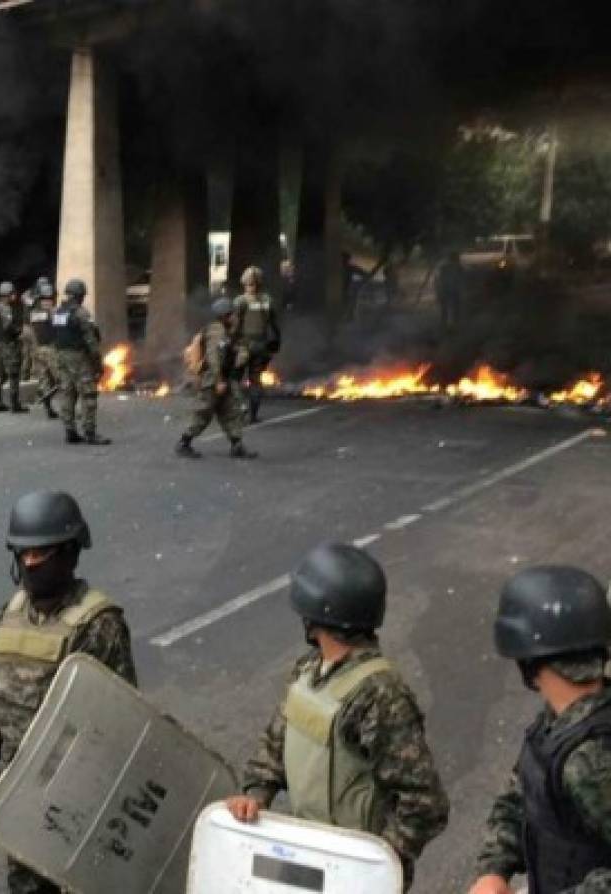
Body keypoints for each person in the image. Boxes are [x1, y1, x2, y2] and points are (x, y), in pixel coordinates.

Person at [225, 544, 449, 889]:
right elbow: (274, 748)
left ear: (316, 617)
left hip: (353, 875)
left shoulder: (379, 696)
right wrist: (254, 797)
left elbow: (425, 803)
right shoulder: (309, 672)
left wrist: (376, 864)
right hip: (309, 860)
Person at [0, 490, 136, 894]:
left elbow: (120, 725)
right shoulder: (11, 613)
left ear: (70, 553)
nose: (30, 564)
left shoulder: (98, 624)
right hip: (21, 798)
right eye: (23, 555)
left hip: (77, 809)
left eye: (42, 555)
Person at [469, 566, 611, 894]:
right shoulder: (557, 724)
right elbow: (521, 794)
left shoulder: (590, 759)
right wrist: (493, 870)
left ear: (527, 661)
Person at [175, 298, 255, 459]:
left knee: (230, 411)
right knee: (203, 413)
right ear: (225, 315)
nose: (235, 317)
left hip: (223, 378)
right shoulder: (216, 332)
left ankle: (237, 445)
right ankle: (184, 443)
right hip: (213, 379)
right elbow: (214, 358)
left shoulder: (228, 331)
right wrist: (218, 381)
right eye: (232, 314)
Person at [52, 279, 110, 445]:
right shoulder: (81, 314)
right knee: (88, 394)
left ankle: (70, 431)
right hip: (79, 358)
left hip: (61, 356)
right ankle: (90, 432)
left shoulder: (58, 313)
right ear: (80, 296)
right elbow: (91, 341)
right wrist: (98, 364)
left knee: (68, 393)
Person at [232, 266, 282, 423]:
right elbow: (274, 325)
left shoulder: (240, 301)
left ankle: (241, 406)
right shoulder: (268, 301)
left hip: (243, 345)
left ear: (244, 282)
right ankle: (253, 415)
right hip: (262, 345)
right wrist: (277, 341)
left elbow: (235, 325)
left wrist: (230, 341)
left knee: (234, 378)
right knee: (255, 380)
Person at [0, 281, 27, 413]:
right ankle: (15, 404)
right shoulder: (5, 308)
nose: (14, 296)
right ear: (7, 294)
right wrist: (19, 332)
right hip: (8, 345)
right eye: (12, 293)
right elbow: (7, 327)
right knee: (13, 374)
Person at [27, 282, 59, 419]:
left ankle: (48, 408)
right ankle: (71, 411)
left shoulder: (34, 313)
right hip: (51, 350)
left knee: (45, 380)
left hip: (37, 349)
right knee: (63, 380)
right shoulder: (52, 312)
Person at [436, 252, 465, 330]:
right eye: (457, 258)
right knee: (453, 309)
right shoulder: (456, 267)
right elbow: (462, 278)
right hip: (450, 290)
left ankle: (447, 325)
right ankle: (451, 325)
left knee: (447, 309)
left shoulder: (444, 267)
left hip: (448, 290)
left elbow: (439, 279)